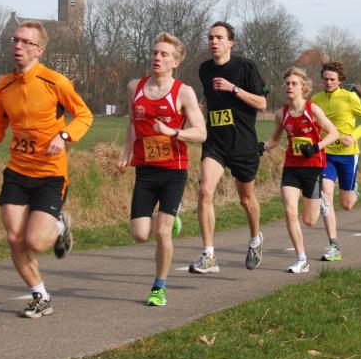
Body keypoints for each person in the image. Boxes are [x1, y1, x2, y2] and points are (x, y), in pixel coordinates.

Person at [0, 21, 93, 318]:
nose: (18, 46)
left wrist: (64, 135)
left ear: (39, 50)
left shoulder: (56, 82)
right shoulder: (2, 86)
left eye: (26, 42)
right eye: (16, 40)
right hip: (17, 170)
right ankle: (40, 296)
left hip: (50, 173)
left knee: (35, 242)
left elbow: (84, 115)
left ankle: (61, 226)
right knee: (14, 239)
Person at [118, 33, 206, 306]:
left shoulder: (183, 92)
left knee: (162, 232)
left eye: (164, 55)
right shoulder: (135, 87)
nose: (157, 58)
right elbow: (133, 123)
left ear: (176, 62)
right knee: (140, 234)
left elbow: (201, 133)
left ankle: (159, 286)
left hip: (173, 170)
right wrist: (126, 151)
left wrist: (173, 131)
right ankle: (170, 218)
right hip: (145, 169)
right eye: (155, 53)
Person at [189, 21, 268, 274]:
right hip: (215, 143)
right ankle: (209, 255)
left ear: (231, 42)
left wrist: (234, 89)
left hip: (243, 144)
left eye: (219, 37)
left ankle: (255, 239)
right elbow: (210, 99)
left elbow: (262, 103)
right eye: (210, 37)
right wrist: (202, 108)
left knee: (246, 200)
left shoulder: (245, 67)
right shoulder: (204, 69)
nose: (214, 41)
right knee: (204, 192)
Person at [261, 67, 338, 272]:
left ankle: (321, 199)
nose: (289, 87)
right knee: (289, 210)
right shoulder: (281, 114)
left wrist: (315, 147)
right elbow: (276, 140)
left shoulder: (312, 109)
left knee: (310, 220)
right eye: (287, 83)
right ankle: (301, 258)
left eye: (294, 83)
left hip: (313, 167)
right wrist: (263, 147)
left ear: (303, 88)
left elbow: (333, 133)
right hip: (292, 167)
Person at [311, 61, 361, 262]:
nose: (328, 82)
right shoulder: (316, 99)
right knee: (325, 196)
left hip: (348, 155)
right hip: (326, 154)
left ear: (340, 80)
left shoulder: (350, 97)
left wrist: (353, 136)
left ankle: (352, 189)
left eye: (332, 79)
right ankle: (334, 245)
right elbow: (312, 124)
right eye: (325, 79)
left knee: (347, 205)